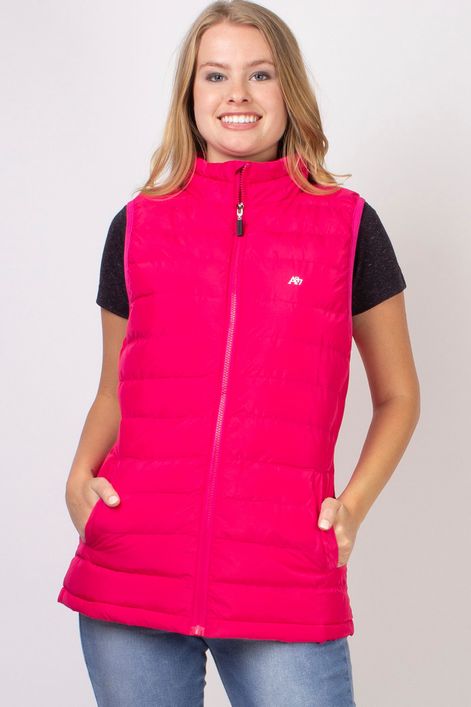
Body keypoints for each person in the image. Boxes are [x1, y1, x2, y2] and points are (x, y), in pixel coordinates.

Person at [57, 1, 421, 705]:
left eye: (260, 73)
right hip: (131, 571)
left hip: (283, 579)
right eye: (215, 75)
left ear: (288, 88)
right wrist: (79, 478)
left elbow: (398, 395)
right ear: (189, 94)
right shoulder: (137, 226)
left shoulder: (347, 225)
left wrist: (351, 508)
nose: (237, 94)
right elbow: (113, 391)